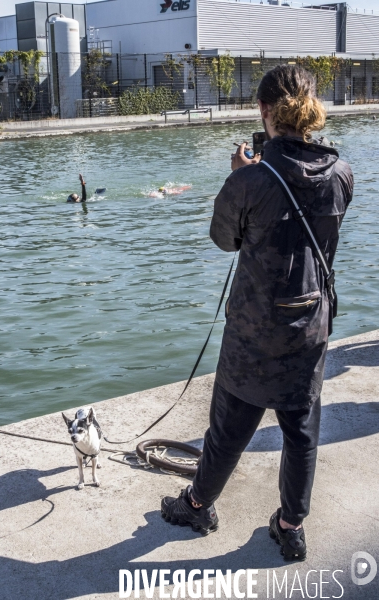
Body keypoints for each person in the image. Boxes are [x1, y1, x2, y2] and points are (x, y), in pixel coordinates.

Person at [160, 65, 353, 561]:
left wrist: (241, 178)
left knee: (228, 426)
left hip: (253, 327)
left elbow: (225, 239)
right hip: (309, 322)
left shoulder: (252, 178)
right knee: (301, 428)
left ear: (264, 111)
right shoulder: (341, 173)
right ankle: (291, 527)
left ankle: (198, 504)